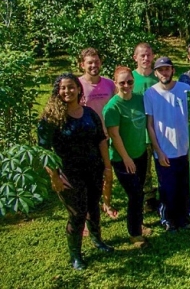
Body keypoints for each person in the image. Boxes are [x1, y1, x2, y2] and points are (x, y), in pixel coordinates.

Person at [38, 73, 113, 270]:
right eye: (63, 88)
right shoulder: (51, 118)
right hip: (69, 174)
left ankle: (98, 241)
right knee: (77, 214)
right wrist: (54, 176)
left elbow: (101, 141)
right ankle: (75, 255)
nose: (67, 91)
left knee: (93, 208)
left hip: (94, 169)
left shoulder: (89, 114)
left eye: (71, 87)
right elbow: (44, 151)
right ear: (57, 91)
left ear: (79, 89)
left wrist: (106, 167)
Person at [103, 66, 150, 248]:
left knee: (140, 193)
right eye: (122, 82)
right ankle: (135, 234)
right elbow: (114, 136)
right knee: (135, 194)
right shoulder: (113, 107)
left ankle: (138, 224)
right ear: (115, 84)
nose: (126, 85)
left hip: (140, 153)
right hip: (123, 159)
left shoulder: (139, 100)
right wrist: (126, 158)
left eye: (130, 82)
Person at [144, 57, 190, 232]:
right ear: (156, 73)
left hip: (184, 149)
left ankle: (183, 218)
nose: (164, 73)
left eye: (167, 69)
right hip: (164, 151)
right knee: (167, 189)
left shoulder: (185, 90)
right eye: (160, 70)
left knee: (183, 187)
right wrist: (158, 150)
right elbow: (149, 124)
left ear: (173, 70)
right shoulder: (150, 93)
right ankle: (167, 219)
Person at [78, 47, 118, 220]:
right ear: (82, 65)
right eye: (89, 62)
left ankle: (107, 204)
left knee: (108, 173)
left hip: (109, 136)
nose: (94, 65)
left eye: (96, 61)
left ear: (100, 62)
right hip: (87, 139)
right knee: (89, 178)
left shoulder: (109, 84)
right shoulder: (77, 85)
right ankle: (88, 210)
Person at [132, 42, 160, 212]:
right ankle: (148, 198)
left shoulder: (158, 77)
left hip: (159, 130)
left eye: (149, 55)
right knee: (144, 169)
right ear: (135, 57)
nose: (146, 58)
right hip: (138, 132)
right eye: (142, 55)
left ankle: (164, 194)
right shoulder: (130, 79)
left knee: (162, 164)